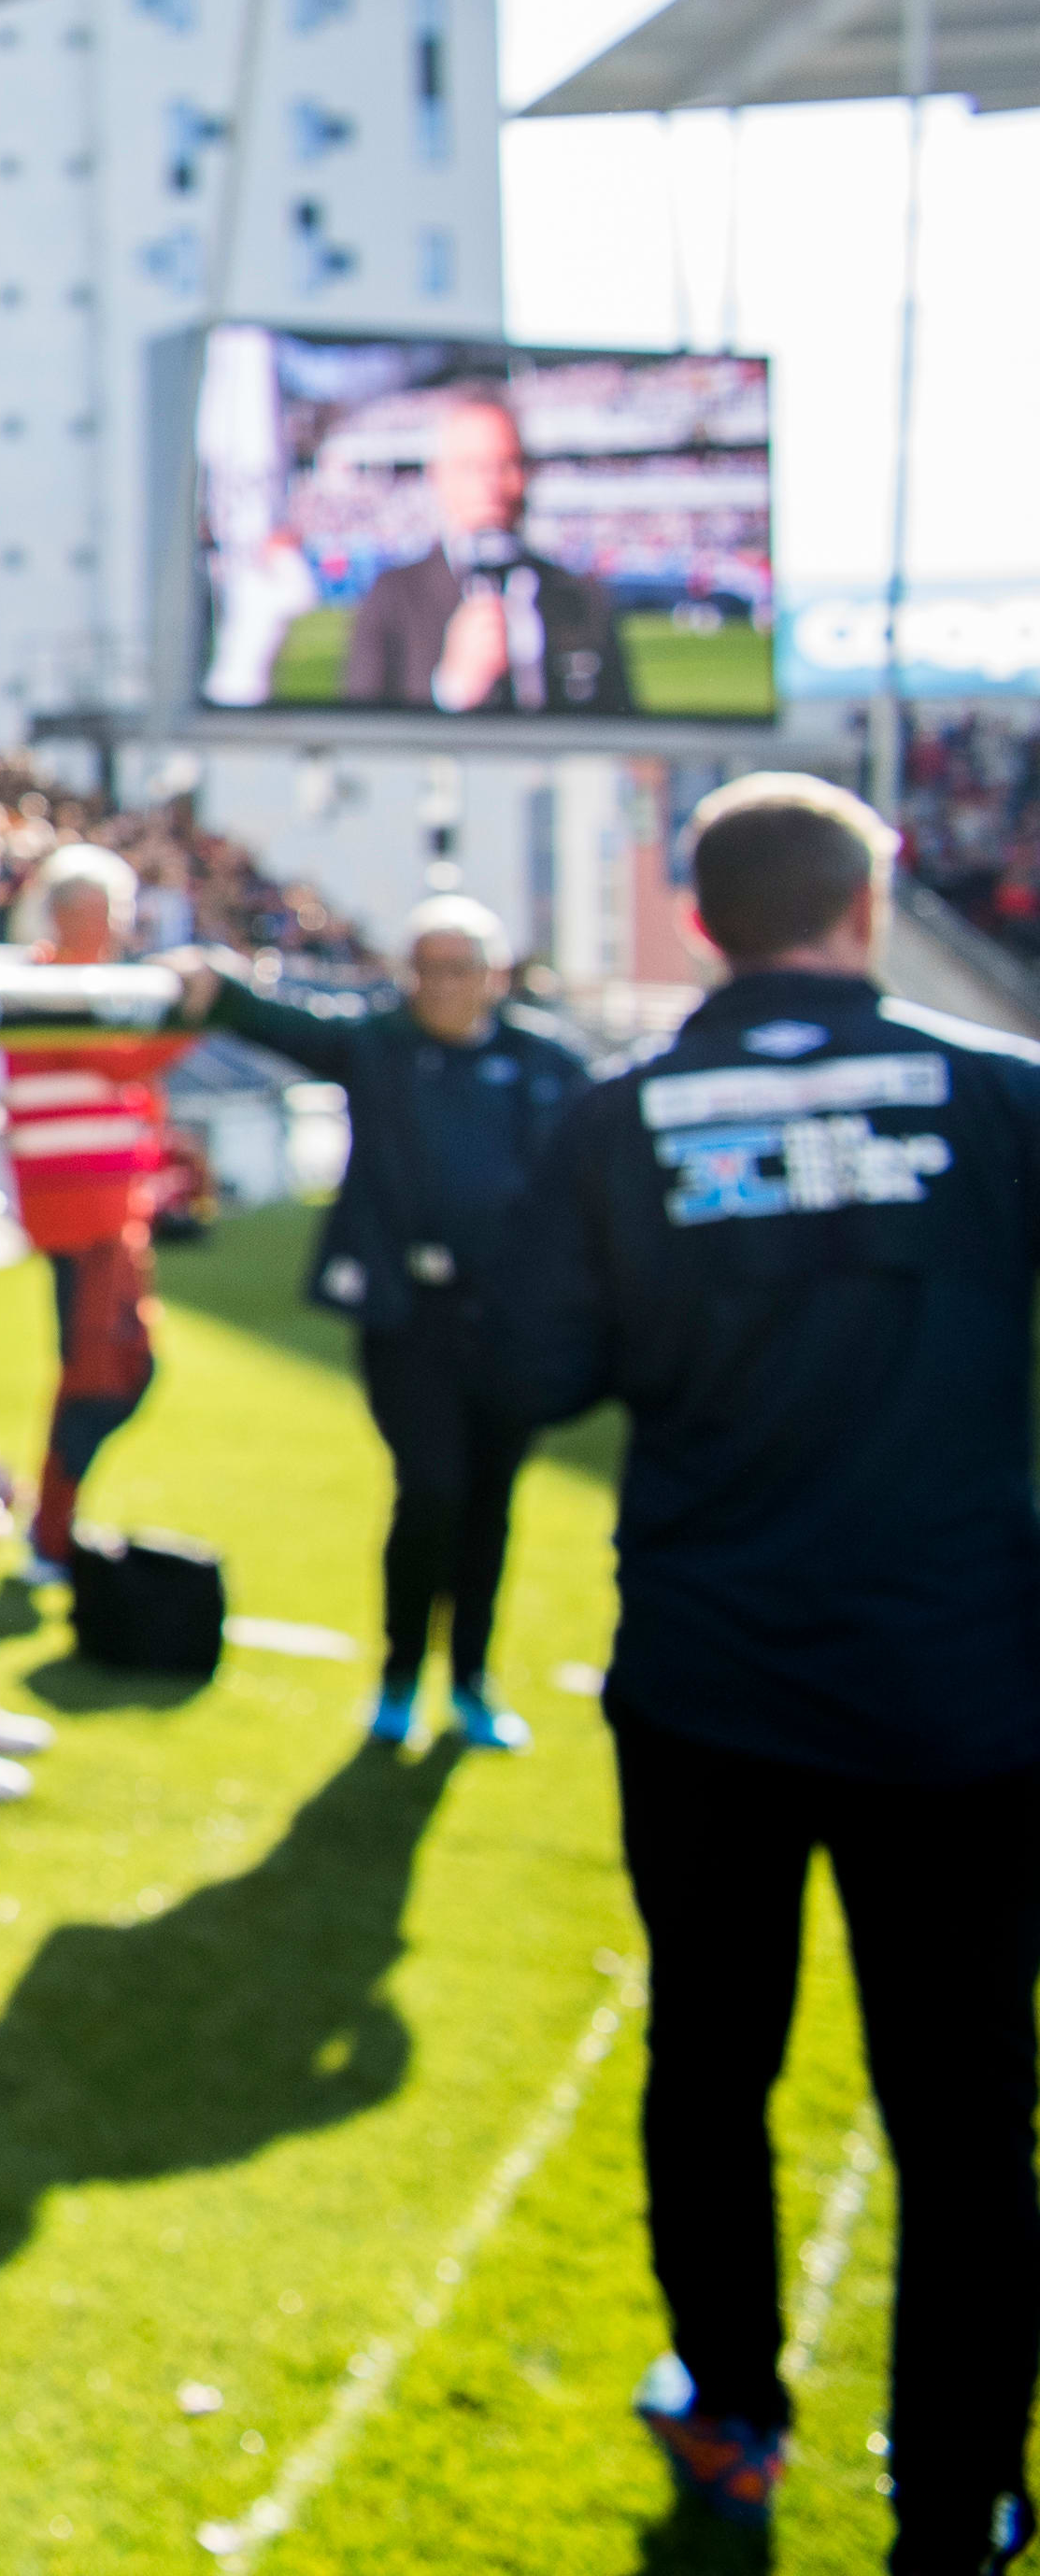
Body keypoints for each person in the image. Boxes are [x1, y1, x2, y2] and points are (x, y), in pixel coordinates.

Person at [485, 776, 1039, 2569]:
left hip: (708, 1691)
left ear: (701, 916)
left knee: (710, 2054)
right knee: (963, 2111)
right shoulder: (997, 1095)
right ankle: (955, 2501)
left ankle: (732, 2403)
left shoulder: (614, 1121)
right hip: (954, 1693)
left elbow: (528, 1373)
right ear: (864, 903)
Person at [174, 895, 593, 1750]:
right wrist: (212, 979)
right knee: (431, 1489)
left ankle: (471, 1681)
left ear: (495, 976)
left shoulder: (547, 1063)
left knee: (489, 1503)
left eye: (459, 969)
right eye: (426, 969)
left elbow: (592, 1177)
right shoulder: (380, 1047)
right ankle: (400, 1678)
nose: (441, 986)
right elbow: (280, 1021)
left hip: (510, 1324)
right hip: (410, 1317)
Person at [3, 842, 197, 1565]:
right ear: (65, 913)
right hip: (78, 1213)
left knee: (116, 1367)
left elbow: (122, 1082)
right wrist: (200, 1011)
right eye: (105, 912)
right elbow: (120, 1059)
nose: (116, 928)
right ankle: (51, 1531)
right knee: (102, 1371)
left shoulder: (87, 988)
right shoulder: (45, 988)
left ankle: (54, 1523)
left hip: (107, 1208)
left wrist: (162, 1158)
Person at [338, 386, 637, 715]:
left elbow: (624, 728)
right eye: (471, 466)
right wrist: (450, 691)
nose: (490, 482)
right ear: (438, 476)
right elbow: (359, 732)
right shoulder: (392, 597)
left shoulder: (584, 597)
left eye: (506, 464)